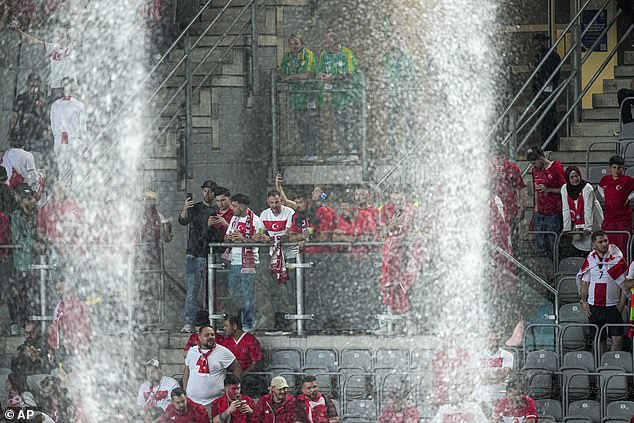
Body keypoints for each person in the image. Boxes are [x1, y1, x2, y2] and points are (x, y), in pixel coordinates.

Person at [178, 179, 223, 333]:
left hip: (208, 253)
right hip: (194, 252)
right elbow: (183, 220)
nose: (207, 193)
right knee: (192, 289)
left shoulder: (218, 210)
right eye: (205, 191)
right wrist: (184, 208)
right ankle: (189, 321)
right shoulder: (195, 208)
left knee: (209, 290)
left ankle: (208, 321)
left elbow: (217, 233)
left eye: (210, 191)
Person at [576, 231, 629, 354]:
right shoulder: (590, 260)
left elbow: (623, 284)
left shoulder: (617, 258)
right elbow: (585, 282)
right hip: (594, 306)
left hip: (612, 306)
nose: (605, 243)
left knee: (617, 338)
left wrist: (621, 305)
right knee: (599, 339)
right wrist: (583, 301)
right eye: (601, 242)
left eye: (606, 240)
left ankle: (613, 364)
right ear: (594, 244)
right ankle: (601, 364)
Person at [225, 193, 266, 331]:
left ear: (242, 206)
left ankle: (248, 323)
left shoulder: (257, 220)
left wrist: (243, 239)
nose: (232, 209)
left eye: (235, 206)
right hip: (235, 260)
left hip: (249, 262)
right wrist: (229, 237)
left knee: (248, 294)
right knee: (234, 293)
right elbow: (226, 237)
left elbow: (258, 240)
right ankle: (256, 314)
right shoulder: (234, 220)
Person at [317, 32, 361, 162]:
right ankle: (342, 151)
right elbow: (320, 70)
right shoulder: (325, 55)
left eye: (328, 42)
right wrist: (321, 76)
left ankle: (353, 152)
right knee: (339, 123)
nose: (325, 45)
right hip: (336, 96)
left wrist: (333, 77)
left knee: (350, 123)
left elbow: (349, 73)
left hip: (349, 95)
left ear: (335, 43)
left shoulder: (346, 54)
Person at [183, 325, 242, 415]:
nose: (210, 337)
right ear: (200, 337)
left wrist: (233, 390)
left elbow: (237, 369)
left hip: (214, 402)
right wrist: (185, 393)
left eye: (212, 335)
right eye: (207, 335)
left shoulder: (223, 352)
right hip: (192, 402)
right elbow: (187, 372)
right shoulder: (191, 352)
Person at [278, 33, 319, 161]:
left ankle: (314, 152)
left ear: (302, 44)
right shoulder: (287, 57)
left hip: (309, 96)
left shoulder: (308, 55)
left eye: (296, 43)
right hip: (296, 97)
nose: (294, 47)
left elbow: (308, 74)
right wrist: (285, 76)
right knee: (301, 125)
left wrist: (291, 77)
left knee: (311, 125)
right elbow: (281, 72)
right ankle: (306, 152)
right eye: (291, 44)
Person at [9, 184, 44, 336]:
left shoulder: (37, 214)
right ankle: (23, 324)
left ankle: (35, 325)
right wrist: (33, 244)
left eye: (31, 198)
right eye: (26, 198)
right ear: (19, 199)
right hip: (22, 264)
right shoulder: (16, 216)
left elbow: (41, 233)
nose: (30, 201)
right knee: (22, 295)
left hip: (37, 264)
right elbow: (17, 238)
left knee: (35, 295)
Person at [260, 190, 296, 315]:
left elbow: (288, 234)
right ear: (267, 202)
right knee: (275, 289)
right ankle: (279, 317)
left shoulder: (290, 212)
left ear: (281, 200)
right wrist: (261, 236)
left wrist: (270, 238)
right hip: (273, 257)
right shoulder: (264, 214)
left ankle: (294, 317)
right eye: (271, 203)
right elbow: (259, 233)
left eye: (277, 202)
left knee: (291, 288)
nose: (274, 205)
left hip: (290, 256)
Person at [526, 146, 566, 258]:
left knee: (554, 244)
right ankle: (543, 269)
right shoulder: (535, 171)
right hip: (540, 212)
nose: (533, 166)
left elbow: (565, 189)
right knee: (540, 245)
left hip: (553, 212)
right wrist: (535, 211)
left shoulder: (556, 166)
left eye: (534, 163)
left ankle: (556, 268)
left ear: (540, 159)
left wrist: (548, 189)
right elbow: (536, 191)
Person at [48, 277, 92, 372]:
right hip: (64, 348)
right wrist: (52, 347)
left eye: (61, 283)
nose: (59, 290)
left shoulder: (76, 304)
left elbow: (83, 328)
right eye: (57, 288)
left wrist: (81, 348)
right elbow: (55, 329)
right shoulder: (59, 306)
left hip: (74, 348)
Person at [49, 77, 87, 181]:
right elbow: (54, 125)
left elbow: (82, 127)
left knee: (76, 170)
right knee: (63, 170)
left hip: (74, 141)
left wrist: (83, 144)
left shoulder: (79, 105)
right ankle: (64, 193)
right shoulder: (55, 105)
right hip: (62, 141)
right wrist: (59, 138)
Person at [218, 314, 264, 396]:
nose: (224, 329)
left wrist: (242, 375)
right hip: (229, 376)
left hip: (248, 377)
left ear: (235, 326)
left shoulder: (251, 340)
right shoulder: (225, 342)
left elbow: (256, 363)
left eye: (226, 326)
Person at [561, 165, 603, 253]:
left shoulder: (587, 188)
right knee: (579, 245)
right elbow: (566, 209)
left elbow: (588, 208)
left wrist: (588, 227)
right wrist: (567, 228)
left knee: (594, 246)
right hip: (577, 220)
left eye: (576, 176)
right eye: (571, 177)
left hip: (592, 219)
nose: (575, 179)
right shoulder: (564, 189)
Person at [7, 73, 52, 154]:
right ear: (27, 85)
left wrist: (48, 133)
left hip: (39, 135)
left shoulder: (43, 98)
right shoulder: (21, 98)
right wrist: (10, 132)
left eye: (36, 86)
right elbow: (15, 116)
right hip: (25, 135)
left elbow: (48, 117)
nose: (34, 88)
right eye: (32, 85)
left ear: (39, 85)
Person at [469, 331, 514, 412]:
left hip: (500, 397)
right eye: (491, 339)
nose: (494, 341)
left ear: (499, 340)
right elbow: (474, 377)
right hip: (480, 398)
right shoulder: (477, 357)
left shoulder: (507, 355)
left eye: (496, 339)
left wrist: (484, 376)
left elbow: (503, 375)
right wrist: (495, 376)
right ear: (486, 340)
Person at [598, 155, 634, 255]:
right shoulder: (605, 179)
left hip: (623, 219)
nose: (617, 170)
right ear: (610, 168)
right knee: (608, 247)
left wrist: (629, 197)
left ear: (623, 168)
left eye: (619, 167)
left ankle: (624, 268)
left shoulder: (628, 180)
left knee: (622, 247)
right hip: (609, 219)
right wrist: (604, 196)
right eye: (614, 167)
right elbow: (600, 187)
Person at [36, 180, 83, 257]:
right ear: (53, 188)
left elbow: (81, 228)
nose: (60, 188)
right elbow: (40, 229)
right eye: (57, 186)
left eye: (62, 186)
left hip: (71, 249)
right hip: (53, 250)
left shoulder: (74, 206)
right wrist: (47, 241)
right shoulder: (46, 208)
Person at [532, 33, 561, 151]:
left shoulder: (549, 56)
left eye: (540, 42)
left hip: (545, 91)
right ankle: (549, 143)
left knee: (547, 118)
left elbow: (551, 75)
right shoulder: (543, 56)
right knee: (546, 119)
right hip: (543, 91)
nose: (538, 44)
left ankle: (550, 144)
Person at [288, 186, 337, 254]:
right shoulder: (297, 216)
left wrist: (307, 238)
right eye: (296, 203)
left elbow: (324, 236)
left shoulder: (323, 211)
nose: (298, 206)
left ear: (308, 200)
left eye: (301, 202)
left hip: (323, 254)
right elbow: (291, 237)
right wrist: (302, 236)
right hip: (304, 254)